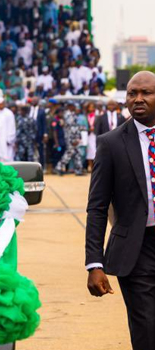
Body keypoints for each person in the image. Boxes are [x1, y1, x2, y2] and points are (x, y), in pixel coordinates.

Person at [86, 71, 155, 350]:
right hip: (136, 251)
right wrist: (94, 263)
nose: (138, 99)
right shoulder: (111, 143)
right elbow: (97, 207)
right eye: (131, 93)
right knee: (146, 330)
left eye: (146, 93)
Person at [55, 103, 84, 176]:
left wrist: (78, 136)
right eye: (73, 106)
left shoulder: (72, 114)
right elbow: (71, 128)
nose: (75, 107)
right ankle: (59, 167)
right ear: (70, 106)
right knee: (69, 153)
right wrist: (74, 139)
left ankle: (78, 170)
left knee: (77, 154)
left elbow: (76, 127)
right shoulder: (68, 115)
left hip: (74, 137)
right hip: (71, 138)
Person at [0, 96, 16, 162]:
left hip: (6, 141)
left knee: (8, 159)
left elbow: (11, 127)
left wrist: (9, 139)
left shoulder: (8, 113)